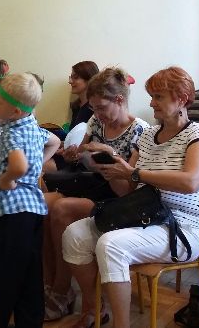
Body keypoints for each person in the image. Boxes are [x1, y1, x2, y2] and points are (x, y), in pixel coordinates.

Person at [63, 66, 199, 328]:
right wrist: (111, 167)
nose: (152, 103)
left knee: (111, 245)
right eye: (152, 96)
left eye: (158, 97)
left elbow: (191, 182)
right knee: (74, 234)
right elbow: (128, 189)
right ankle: (95, 307)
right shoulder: (147, 136)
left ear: (181, 99)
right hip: (143, 216)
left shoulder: (198, 135)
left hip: (182, 227)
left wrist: (134, 173)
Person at [43, 67, 149, 321]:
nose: (98, 115)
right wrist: (75, 153)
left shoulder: (140, 130)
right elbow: (83, 154)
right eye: (94, 109)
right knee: (40, 205)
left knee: (61, 209)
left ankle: (64, 291)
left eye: (102, 108)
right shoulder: (96, 121)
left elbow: (129, 188)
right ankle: (53, 283)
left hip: (119, 198)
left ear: (119, 100)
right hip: (92, 185)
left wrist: (111, 156)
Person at [0, 73, 60, 327]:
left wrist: (7, 180)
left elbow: (18, 165)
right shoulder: (32, 127)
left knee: (4, 275)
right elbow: (55, 141)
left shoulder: (11, 133)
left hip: (12, 215)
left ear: (14, 111)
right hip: (33, 212)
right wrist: (37, 167)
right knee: (30, 276)